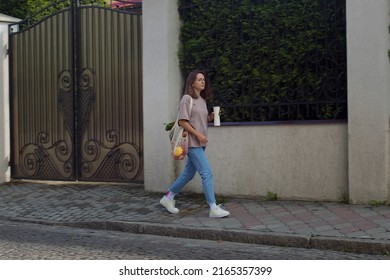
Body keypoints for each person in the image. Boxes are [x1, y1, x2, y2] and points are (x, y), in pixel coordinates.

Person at [160, 70, 230, 218]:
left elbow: (199, 121)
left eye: (204, 79)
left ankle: (168, 197)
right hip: (192, 143)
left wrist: (210, 117)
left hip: (201, 144)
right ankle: (213, 207)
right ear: (192, 82)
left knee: (188, 174)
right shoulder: (187, 98)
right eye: (199, 79)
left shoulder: (202, 100)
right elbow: (183, 121)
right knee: (207, 172)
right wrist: (199, 135)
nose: (203, 81)